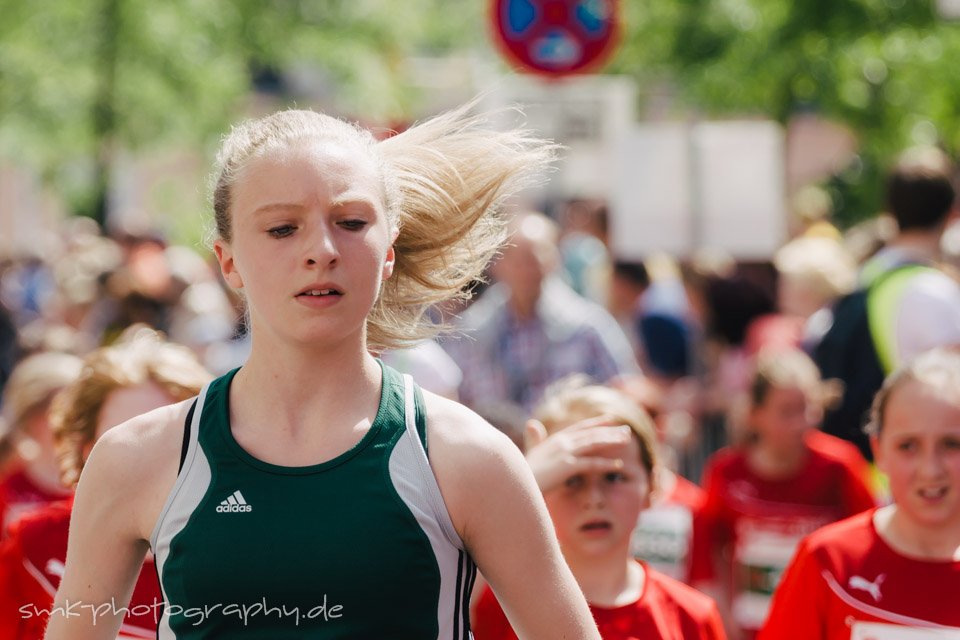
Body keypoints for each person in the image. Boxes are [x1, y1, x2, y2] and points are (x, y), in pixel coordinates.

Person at [45, 104, 601, 639]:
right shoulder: (135, 459)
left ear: (389, 250)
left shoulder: (468, 458)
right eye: (282, 228)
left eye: (352, 221)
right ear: (228, 260)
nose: (322, 250)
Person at [473, 379, 726, 640]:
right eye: (571, 479)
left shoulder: (692, 618)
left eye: (613, 477)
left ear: (653, 485)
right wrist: (523, 481)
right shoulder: (498, 603)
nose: (594, 499)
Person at [0, 327, 211, 640]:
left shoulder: (246, 550)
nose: (148, 458)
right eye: (125, 439)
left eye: (171, 436)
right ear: (86, 448)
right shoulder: (34, 548)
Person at [759, 347, 960, 637]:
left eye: (952, 444)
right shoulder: (829, 562)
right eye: (908, 446)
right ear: (879, 451)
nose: (930, 469)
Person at [689, 348, 876, 639]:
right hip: (751, 628)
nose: (800, 423)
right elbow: (707, 550)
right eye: (786, 412)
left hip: (818, 627)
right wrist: (723, 615)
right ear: (755, 414)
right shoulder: (726, 471)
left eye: (807, 408)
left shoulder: (840, 465)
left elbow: (869, 542)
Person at [816, 147, 960, 459]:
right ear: (952, 213)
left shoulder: (866, 275)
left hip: (877, 464)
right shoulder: (937, 292)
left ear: (889, 210)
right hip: (923, 476)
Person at [444, 210, 639, 414]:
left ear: (554, 260)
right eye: (517, 259)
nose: (526, 270)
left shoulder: (586, 327)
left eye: (535, 258)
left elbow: (623, 393)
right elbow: (455, 400)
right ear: (497, 264)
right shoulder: (472, 331)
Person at [0, 352, 83, 534]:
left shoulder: (95, 482)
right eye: (64, 410)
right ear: (32, 418)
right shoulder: (8, 485)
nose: (78, 420)